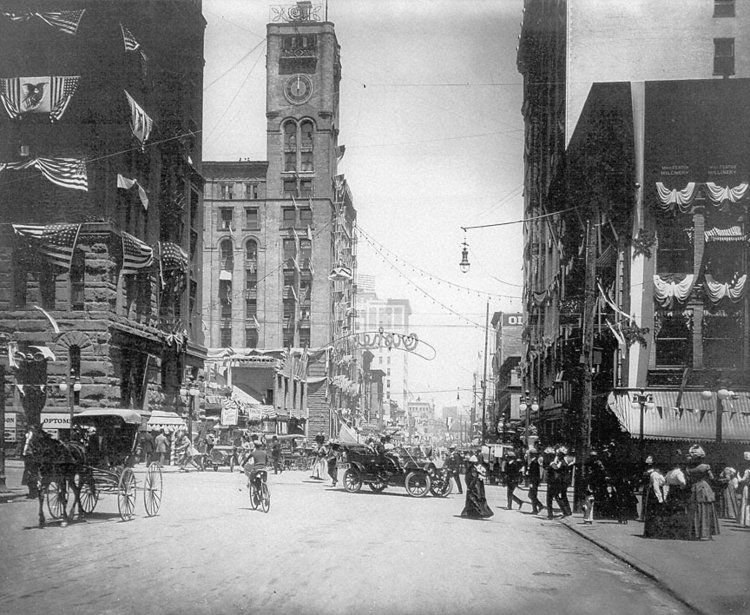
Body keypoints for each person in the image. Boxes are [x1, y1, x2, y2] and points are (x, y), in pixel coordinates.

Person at [685, 445, 720, 540]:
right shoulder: (705, 467)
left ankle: (696, 533)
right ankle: (706, 533)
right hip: (704, 488)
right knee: (705, 510)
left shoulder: (688, 469)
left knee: (695, 510)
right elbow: (712, 478)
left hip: (694, 488)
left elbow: (687, 480)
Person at [460, 455, 494, 519]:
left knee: (474, 500)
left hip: (473, 487)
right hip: (475, 486)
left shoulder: (472, 469)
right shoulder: (474, 468)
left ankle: (479, 513)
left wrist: (470, 486)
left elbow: (473, 479)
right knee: (472, 500)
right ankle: (470, 513)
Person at [545, 447, 572, 519]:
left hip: (556, 481)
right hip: (558, 481)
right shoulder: (561, 461)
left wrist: (553, 461)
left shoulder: (559, 462)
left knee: (552, 498)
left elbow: (556, 468)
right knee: (558, 497)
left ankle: (553, 514)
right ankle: (566, 511)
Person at [642, 464, 668, 538]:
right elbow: (655, 486)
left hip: (656, 492)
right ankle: (652, 532)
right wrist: (660, 498)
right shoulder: (655, 474)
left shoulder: (657, 474)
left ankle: (654, 531)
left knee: (655, 512)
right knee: (654, 512)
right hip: (655, 494)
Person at [737, 452, 750, 527]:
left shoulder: (747, 471)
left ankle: (746, 521)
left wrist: (738, 476)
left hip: (747, 487)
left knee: (746, 502)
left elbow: (742, 480)